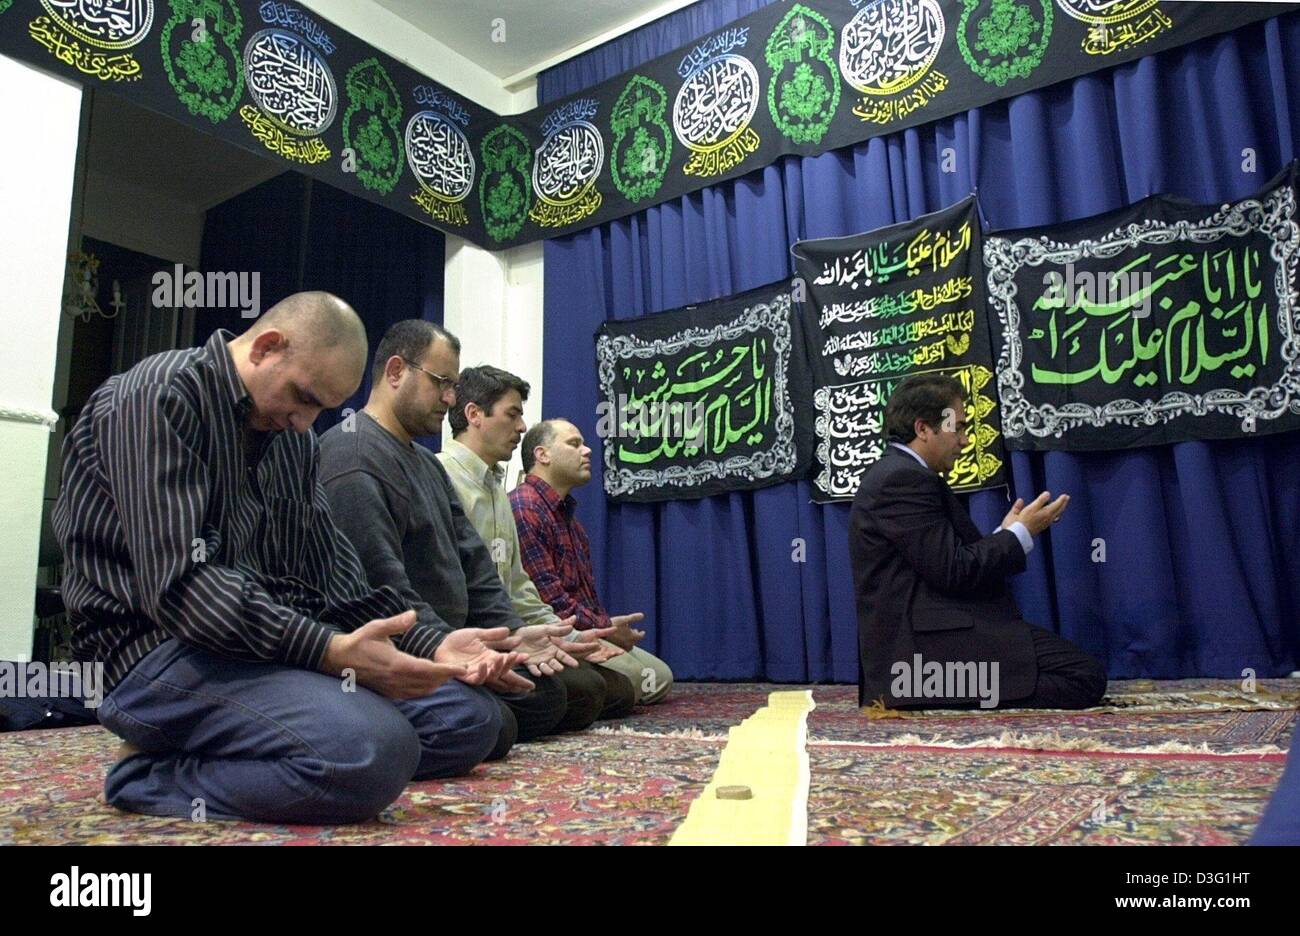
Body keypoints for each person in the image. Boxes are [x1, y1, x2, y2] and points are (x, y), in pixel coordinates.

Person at [53, 293, 524, 824]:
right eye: (303, 397)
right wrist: (330, 652)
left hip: (260, 649)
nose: (305, 421)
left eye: (321, 408)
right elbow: (183, 588)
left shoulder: (292, 439)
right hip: (153, 652)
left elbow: (334, 573)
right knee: (374, 751)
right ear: (266, 348)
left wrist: (430, 645)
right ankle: (145, 775)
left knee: (470, 718)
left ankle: (259, 742)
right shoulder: (157, 398)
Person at [319, 320, 615, 756]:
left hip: (455, 640)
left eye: (454, 386)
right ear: (396, 372)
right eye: (442, 383)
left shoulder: (426, 464)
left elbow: (477, 568)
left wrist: (515, 634)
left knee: (552, 696)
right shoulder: (354, 456)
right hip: (402, 649)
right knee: (483, 723)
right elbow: (381, 592)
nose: (451, 398)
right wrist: (443, 648)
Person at [849, 373, 1107, 711]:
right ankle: (932, 696)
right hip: (922, 657)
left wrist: (1005, 535)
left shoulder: (899, 474)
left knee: (1080, 674)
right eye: (957, 427)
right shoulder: (902, 479)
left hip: (932, 645)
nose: (966, 440)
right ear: (923, 429)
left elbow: (943, 562)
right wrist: (1021, 533)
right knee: (1083, 678)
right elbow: (954, 571)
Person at [438, 366, 637, 721]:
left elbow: (517, 587)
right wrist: (515, 639)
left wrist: (565, 637)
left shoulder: (496, 488)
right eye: (512, 415)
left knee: (612, 691)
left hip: (506, 632)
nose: (521, 428)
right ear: (474, 415)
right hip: (463, 641)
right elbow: (444, 588)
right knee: (579, 694)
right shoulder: (439, 477)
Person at [511, 418, 672, 705]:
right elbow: (550, 602)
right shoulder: (525, 508)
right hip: (547, 634)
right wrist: (607, 628)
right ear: (542, 455)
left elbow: (583, 601)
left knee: (659, 676)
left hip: (584, 630)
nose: (587, 451)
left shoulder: (573, 525)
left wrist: (605, 628)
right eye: (574, 444)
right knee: (639, 681)